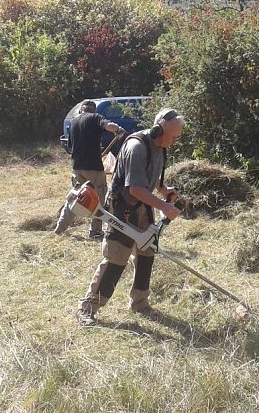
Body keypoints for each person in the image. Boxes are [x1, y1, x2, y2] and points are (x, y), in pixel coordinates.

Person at [76, 107, 185, 326]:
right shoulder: (137, 147)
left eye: (177, 138)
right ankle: (87, 307)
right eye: (172, 137)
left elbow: (151, 180)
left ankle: (140, 303)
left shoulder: (160, 146)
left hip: (144, 208)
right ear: (157, 130)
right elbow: (135, 188)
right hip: (123, 208)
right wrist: (164, 206)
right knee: (116, 259)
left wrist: (164, 191)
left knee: (146, 255)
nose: (174, 142)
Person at [55, 100, 124, 237]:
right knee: (98, 199)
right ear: (93, 110)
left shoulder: (74, 122)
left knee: (76, 198)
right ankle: (95, 231)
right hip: (93, 168)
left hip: (77, 167)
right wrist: (118, 130)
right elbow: (109, 126)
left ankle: (60, 228)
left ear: (81, 110)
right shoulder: (95, 117)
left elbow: (71, 145)